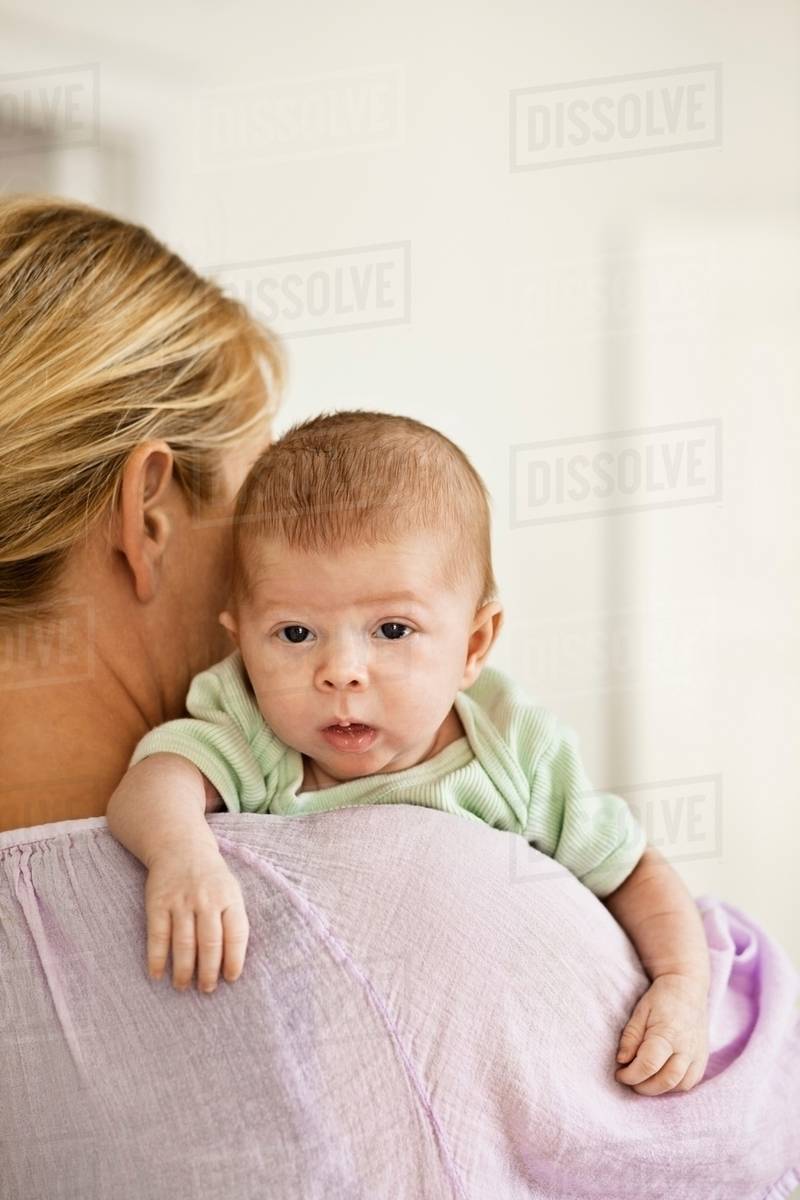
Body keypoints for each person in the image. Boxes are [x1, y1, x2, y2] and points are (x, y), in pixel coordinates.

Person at [0, 195, 798, 1200]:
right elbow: (746, 1137)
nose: (340, 663)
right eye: (250, 504)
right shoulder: (401, 896)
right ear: (147, 514)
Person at [106, 409, 710, 1097]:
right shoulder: (257, 729)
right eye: (294, 633)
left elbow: (632, 872)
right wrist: (183, 856)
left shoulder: (515, 751)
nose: (340, 669)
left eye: (392, 629)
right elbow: (153, 782)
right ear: (240, 639)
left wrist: (683, 990)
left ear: (474, 645)